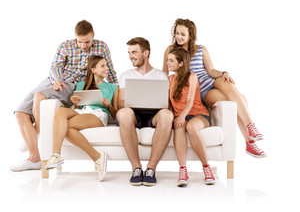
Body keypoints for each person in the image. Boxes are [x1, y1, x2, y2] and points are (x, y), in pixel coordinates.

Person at [11, 20, 118, 172]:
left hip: (72, 84)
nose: (83, 45)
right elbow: (55, 66)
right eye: (80, 41)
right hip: (56, 80)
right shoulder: (65, 45)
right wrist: (56, 80)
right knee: (20, 113)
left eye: (87, 41)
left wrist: (118, 89)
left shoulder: (102, 46)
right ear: (75, 37)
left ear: (93, 36)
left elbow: (111, 70)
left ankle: (36, 137)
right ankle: (34, 157)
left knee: (39, 97)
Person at [162, 18, 266, 158]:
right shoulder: (171, 50)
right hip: (203, 91)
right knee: (240, 100)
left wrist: (224, 73)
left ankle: (251, 126)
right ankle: (249, 142)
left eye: (183, 34)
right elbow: (164, 73)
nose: (179, 37)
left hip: (211, 80)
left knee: (231, 87)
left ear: (190, 35)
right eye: (177, 33)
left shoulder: (201, 49)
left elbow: (211, 71)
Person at [45, 55, 119, 181]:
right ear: (93, 69)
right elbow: (77, 106)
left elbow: (116, 114)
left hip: (98, 114)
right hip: (81, 111)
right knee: (59, 112)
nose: (107, 68)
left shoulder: (113, 87)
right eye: (103, 66)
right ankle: (58, 155)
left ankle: (57, 155)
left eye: (106, 66)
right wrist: (74, 102)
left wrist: (109, 105)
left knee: (63, 125)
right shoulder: (80, 85)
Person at [116, 37, 174, 186]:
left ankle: (151, 169)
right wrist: (136, 100)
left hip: (153, 115)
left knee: (167, 115)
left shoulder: (161, 76)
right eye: (129, 53)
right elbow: (122, 102)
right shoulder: (125, 75)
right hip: (133, 115)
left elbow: (166, 104)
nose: (130, 56)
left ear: (146, 53)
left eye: (134, 52)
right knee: (123, 113)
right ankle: (136, 168)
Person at [167, 47, 215, 186]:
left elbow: (190, 100)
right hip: (180, 116)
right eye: (168, 60)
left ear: (181, 63)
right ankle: (183, 171)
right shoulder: (170, 79)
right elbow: (168, 102)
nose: (168, 63)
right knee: (179, 128)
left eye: (171, 60)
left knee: (192, 126)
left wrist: (182, 116)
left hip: (198, 114)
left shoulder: (192, 76)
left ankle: (206, 168)